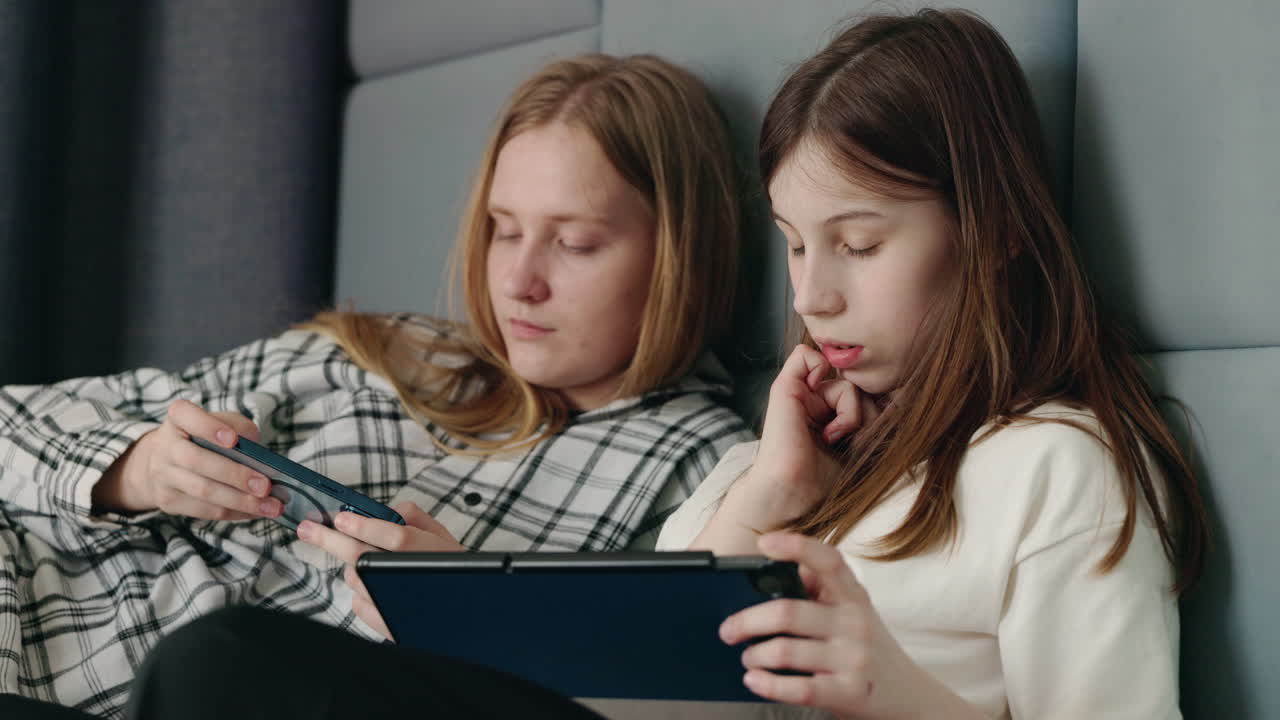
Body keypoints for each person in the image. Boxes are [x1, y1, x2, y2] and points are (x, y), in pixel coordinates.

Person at [2, 7, 1212, 719]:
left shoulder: (1060, 470)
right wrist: (774, 493)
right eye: (795, 246)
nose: (810, 295)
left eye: (857, 243)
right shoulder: (804, 458)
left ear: (989, 230)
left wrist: (901, 698)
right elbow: (639, 660)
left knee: (223, 666)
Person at [0, 53, 753, 716]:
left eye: (576, 243)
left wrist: (470, 610)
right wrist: (133, 469)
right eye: (503, 228)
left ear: (679, 255)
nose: (519, 282)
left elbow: (660, 692)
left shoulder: (710, 474)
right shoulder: (387, 355)